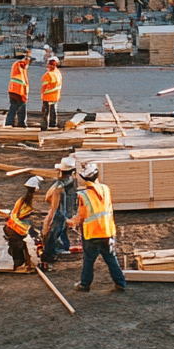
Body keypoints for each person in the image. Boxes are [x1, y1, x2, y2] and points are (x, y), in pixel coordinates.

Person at [70, 162, 127, 293]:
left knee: (89, 260)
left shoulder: (83, 195)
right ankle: (120, 283)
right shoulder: (105, 189)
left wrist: (71, 222)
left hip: (92, 233)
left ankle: (85, 285)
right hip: (107, 230)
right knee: (111, 258)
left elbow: (82, 215)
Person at [42, 158, 77, 263]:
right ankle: (64, 247)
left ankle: (50, 254)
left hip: (58, 212)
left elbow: (48, 197)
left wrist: (52, 210)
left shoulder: (58, 186)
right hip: (68, 211)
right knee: (60, 230)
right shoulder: (73, 183)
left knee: (52, 233)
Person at [4, 177, 41, 273]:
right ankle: (18, 263)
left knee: (17, 243)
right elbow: (32, 222)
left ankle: (17, 258)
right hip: (18, 229)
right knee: (19, 245)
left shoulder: (21, 200)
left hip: (10, 226)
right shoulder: (33, 203)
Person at [4, 50, 32, 127]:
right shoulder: (19, 65)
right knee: (19, 107)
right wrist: (28, 55)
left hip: (14, 91)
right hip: (18, 92)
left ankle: (12, 123)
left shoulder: (19, 67)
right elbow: (24, 63)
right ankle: (19, 123)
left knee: (15, 107)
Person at [40, 56, 62, 130]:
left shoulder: (47, 75)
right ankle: (53, 125)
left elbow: (44, 87)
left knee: (45, 112)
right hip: (55, 96)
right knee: (53, 111)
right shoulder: (58, 73)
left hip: (47, 96)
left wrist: (42, 94)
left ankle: (44, 126)